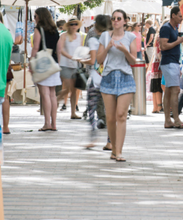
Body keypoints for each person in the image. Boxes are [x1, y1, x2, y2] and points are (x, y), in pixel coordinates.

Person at [96, 9, 137, 162]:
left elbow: (133, 61)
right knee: (111, 117)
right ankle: (113, 149)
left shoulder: (131, 37)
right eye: (113, 18)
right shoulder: (105, 36)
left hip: (125, 77)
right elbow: (99, 60)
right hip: (108, 77)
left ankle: (118, 151)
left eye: (119, 18)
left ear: (125, 21)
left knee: (121, 115)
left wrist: (124, 50)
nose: (116, 21)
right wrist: (107, 48)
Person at [81, 15, 110, 148]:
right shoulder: (110, 39)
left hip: (95, 79)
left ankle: (93, 138)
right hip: (108, 78)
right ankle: (110, 141)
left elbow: (93, 61)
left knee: (91, 110)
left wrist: (81, 60)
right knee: (110, 111)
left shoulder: (93, 40)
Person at [32, 8, 61, 131]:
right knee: (52, 94)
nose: (34, 18)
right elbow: (58, 49)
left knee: (45, 94)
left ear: (40, 17)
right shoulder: (55, 30)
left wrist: (31, 63)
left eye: (35, 16)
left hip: (42, 64)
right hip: (53, 63)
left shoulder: (38, 29)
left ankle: (47, 123)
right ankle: (54, 124)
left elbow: (36, 48)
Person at [159, 7, 183, 129]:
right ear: (173, 15)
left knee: (170, 91)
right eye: (180, 16)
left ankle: (168, 120)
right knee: (175, 90)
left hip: (172, 62)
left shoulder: (174, 28)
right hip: (169, 62)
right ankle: (176, 119)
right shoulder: (166, 28)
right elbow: (163, 46)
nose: (181, 18)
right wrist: (178, 41)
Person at [57, 18, 83, 119]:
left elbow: (80, 49)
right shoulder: (63, 35)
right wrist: (71, 57)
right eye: (71, 24)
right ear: (68, 25)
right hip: (65, 65)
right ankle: (55, 102)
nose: (73, 26)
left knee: (74, 90)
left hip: (75, 65)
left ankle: (73, 112)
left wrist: (81, 58)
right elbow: (60, 49)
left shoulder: (79, 36)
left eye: (75, 24)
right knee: (67, 89)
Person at [148, 38, 163, 113]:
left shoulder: (157, 38)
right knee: (158, 87)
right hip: (158, 65)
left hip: (155, 64)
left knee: (154, 87)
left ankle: (155, 107)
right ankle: (159, 106)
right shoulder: (160, 38)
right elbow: (159, 53)